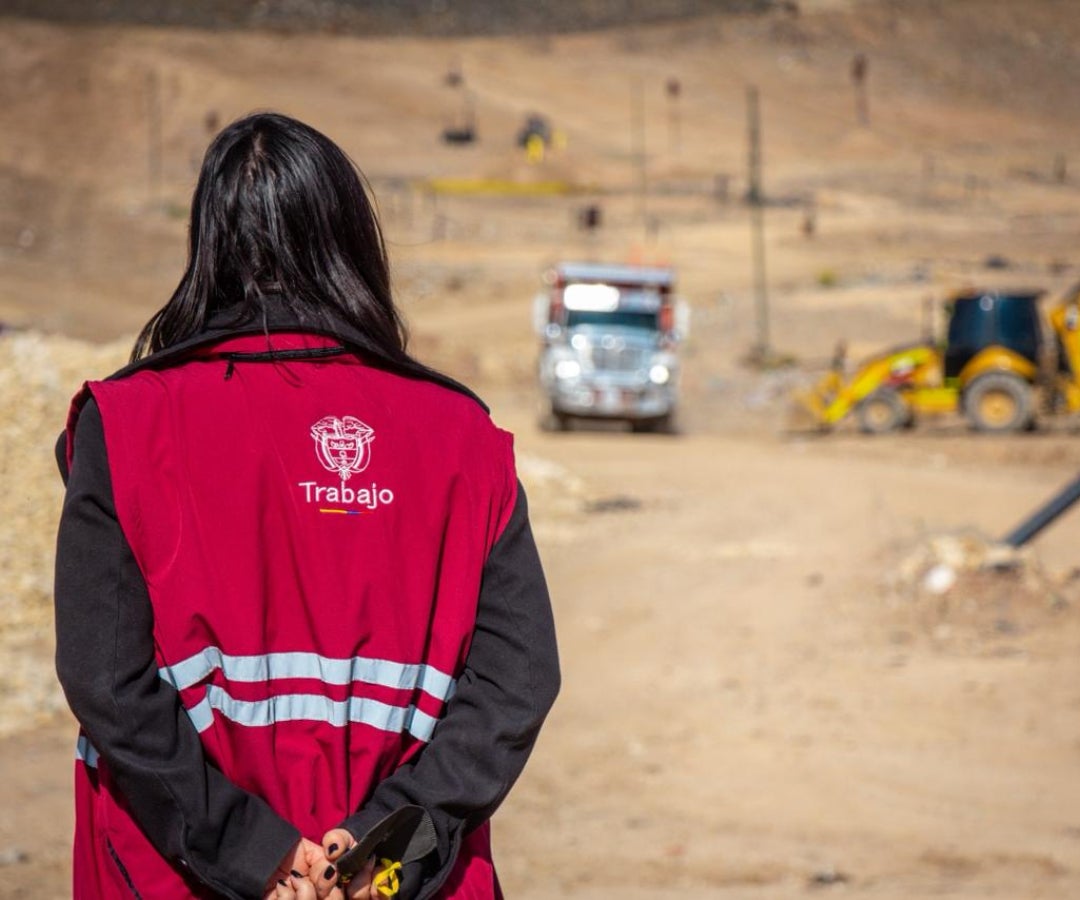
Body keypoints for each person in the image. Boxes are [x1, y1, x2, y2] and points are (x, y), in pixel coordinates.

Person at [53, 112, 560, 900]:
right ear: (352, 238)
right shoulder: (464, 437)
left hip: (170, 877)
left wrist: (256, 851)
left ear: (210, 246)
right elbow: (518, 682)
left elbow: (105, 680)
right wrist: (382, 851)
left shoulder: (125, 426)